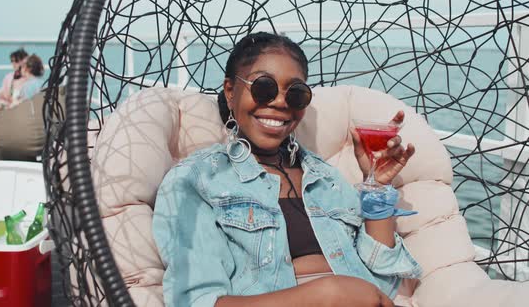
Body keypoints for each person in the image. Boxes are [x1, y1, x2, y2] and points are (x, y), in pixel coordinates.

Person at [152, 32, 422, 307]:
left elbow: (383, 276)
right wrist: (325, 295)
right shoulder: (197, 180)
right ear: (231, 91)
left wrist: (376, 183)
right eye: (264, 88)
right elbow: (197, 301)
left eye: (295, 93)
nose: (281, 102)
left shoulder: (324, 177)